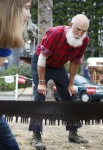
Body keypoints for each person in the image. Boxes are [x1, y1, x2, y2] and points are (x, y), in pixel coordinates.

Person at [29, 14, 90, 150]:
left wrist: (70, 84)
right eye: (77, 29)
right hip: (41, 63)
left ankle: (73, 133)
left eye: (83, 31)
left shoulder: (84, 41)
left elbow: (75, 63)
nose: (80, 33)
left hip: (58, 66)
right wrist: (42, 82)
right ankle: (36, 137)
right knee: (39, 96)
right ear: (70, 25)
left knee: (70, 96)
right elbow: (42, 58)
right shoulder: (55, 33)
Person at [0, 0, 32, 149]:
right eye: (27, 8)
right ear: (10, 8)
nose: (29, 15)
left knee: (3, 132)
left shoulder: (6, 41)